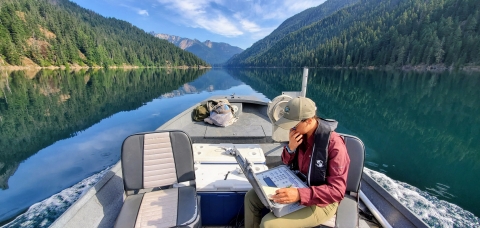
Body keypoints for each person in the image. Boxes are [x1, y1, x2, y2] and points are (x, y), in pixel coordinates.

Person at [244, 97, 350, 228]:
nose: (290, 128)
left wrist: (299, 194)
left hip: (322, 202)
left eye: (293, 124)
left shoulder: (335, 145)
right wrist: (291, 148)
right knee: (251, 197)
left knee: (268, 224)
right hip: (297, 183)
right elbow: (285, 162)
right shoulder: (298, 135)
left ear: (309, 120)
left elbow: (337, 191)